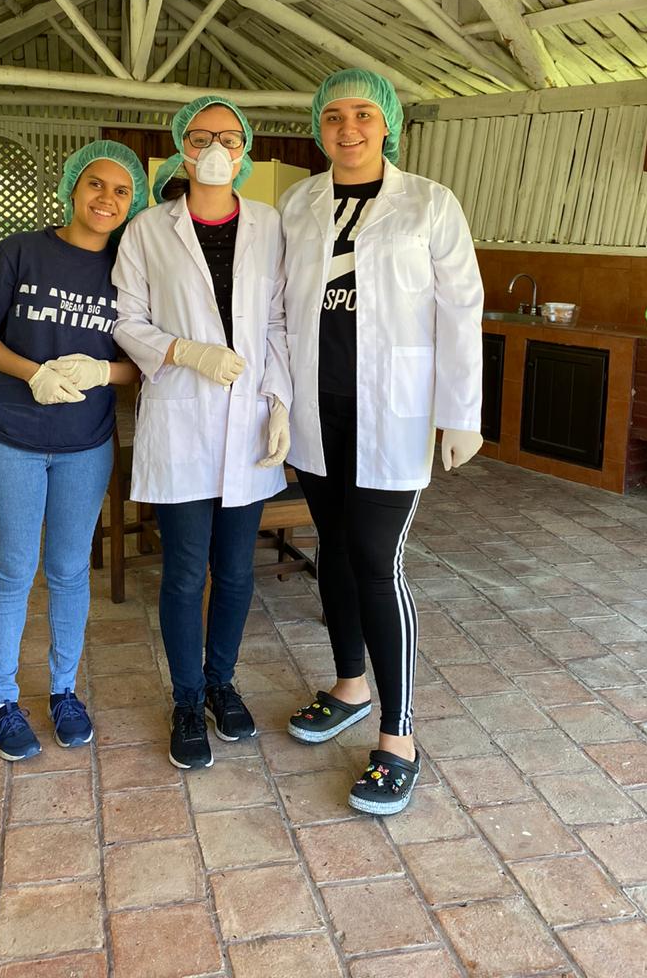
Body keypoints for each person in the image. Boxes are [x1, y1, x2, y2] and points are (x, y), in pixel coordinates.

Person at [279, 69, 483, 815]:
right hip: (318, 410)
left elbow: (461, 309)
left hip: (393, 413)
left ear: (387, 121)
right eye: (333, 115)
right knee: (333, 550)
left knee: (374, 558)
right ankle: (349, 687)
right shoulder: (298, 203)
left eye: (363, 113)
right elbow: (279, 308)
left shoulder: (429, 202)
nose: (349, 128)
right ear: (319, 127)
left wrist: (461, 413)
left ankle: (399, 739)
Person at [112, 95, 291, 770]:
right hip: (181, 417)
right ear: (180, 147)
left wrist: (280, 401)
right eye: (201, 135)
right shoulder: (147, 229)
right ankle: (187, 699)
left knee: (237, 571)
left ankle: (222, 683)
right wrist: (184, 352)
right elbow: (125, 318)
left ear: (246, 150)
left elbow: (278, 322)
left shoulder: (270, 225)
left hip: (248, 420)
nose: (215, 147)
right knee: (186, 571)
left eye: (229, 137)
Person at [0, 140, 148, 761]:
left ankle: (64, 691)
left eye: (121, 190)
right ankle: (3, 701)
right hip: (12, 438)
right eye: (96, 184)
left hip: (85, 446)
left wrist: (103, 372)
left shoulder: (130, 269)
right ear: (72, 187)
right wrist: (32, 372)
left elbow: (143, 363)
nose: (107, 198)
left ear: (133, 201)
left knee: (69, 571)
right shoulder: (20, 252)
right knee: (14, 570)